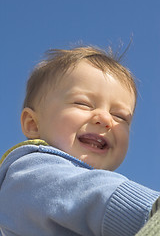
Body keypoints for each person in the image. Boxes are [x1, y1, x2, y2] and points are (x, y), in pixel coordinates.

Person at [0, 46, 159, 236]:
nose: (106, 120)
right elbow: (92, 194)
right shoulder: (30, 171)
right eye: (82, 103)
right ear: (33, 124)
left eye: (120, 116)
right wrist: (148, 208)